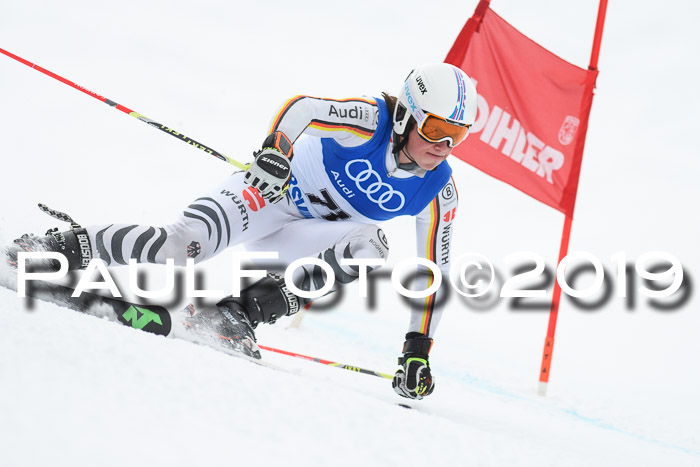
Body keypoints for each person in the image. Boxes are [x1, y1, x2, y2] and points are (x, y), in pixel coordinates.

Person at [6, 63, 478, 400]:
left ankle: (236, 316)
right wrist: (277, 149)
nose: (444, 146)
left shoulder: (440, 189)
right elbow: (303, 107)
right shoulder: (371, 120)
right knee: (178, 246)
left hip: (302, 244)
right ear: (406, 116)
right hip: (269, 197)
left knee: (369, 245)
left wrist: (417, 349)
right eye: (436, 129)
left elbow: (433, 271)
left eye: (457, 136)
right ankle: (60, 246)